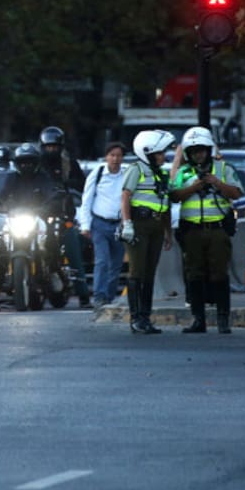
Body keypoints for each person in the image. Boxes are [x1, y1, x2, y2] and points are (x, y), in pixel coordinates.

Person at [170, 126, 243, 333]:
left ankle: (222, 320)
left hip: (217, 230)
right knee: (194, 274)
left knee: (219, 274)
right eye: (193, 151)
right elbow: (174, 195)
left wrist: (216, 183)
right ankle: (198, 319)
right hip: (192, 231)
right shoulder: (184, 172)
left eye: (201, 150)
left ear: (208, 150)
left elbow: (236, 193)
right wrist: (194, 187)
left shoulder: (222, 169)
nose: (198, 155)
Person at [0, 143, 61, 312]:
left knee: (51, 238)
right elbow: (2, 194)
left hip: (37, 217)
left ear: (37, 163)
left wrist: (52, 202)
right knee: (2, 251)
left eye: (31, 162)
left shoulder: (43, 177)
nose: (27, 165)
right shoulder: (11, 178)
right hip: (15, 218)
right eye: (23, 162)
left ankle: (54, 271)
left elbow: (52, 192)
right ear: (17, 163)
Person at [119, 130, 176, 334]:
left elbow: (166, 204)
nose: (163, 156)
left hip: (157, 226)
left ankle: (146, 317)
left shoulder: (161, 173)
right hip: (139, 225)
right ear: (148, 153)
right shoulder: (136, 169)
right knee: (137, 271)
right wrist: (127, 224)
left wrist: (168, 233)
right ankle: (135, 319)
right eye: (160, 152)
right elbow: (125, 196)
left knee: (150, 273)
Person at [38, 126, 91, 307]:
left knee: (73, 251)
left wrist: (68, 184)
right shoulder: (36, 165)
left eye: (55, 147)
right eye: (48, 147)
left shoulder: (68, 163)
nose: (51, 150)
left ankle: (84, 296)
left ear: (61, 146)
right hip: (39, 216)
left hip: (63, 214)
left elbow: (83, 186)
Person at [78, 141, 128, 309]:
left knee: (116, 263)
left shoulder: (127, 174)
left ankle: (109, 296)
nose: (115, 159)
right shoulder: (98, 173)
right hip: (99, 223)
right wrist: (85, 225)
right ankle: (99, 296)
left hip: (119, 225)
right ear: (106, 157)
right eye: (112, 155)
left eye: (118, 155)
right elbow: (87, 199)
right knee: (102, 261)